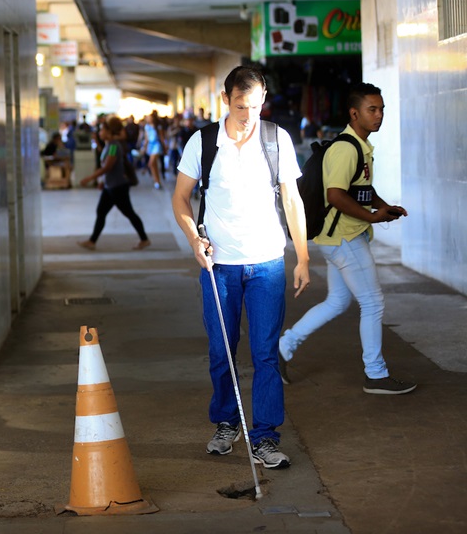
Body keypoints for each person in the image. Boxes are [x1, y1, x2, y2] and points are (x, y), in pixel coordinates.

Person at [172, 65, 310, 469]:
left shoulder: (276, 139)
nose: (248, 114)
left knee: (265, 353)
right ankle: (226, 422)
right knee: (222, 352)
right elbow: (181, 198)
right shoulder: (203, 142)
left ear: (264, 98)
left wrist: (302, 257)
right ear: (225, 99)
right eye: (240, 105)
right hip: (221, 267)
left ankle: (265, 436)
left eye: (255, 104)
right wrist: (193, 239)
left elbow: (292, 201)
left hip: (267, 263)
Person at [278, 83, 416, 395]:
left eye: (381, 109)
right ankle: (376, 375)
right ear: (355, 113)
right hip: (344, 238)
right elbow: (335, 195)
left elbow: (358, 188)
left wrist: (383, 206)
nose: (379, 115)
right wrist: (371, 217)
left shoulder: (360, 147)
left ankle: (284, 347)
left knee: (338, 301)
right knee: (373, 302)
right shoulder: (345, 148)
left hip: (341, 237)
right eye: (372, 109)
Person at [78, 115, 150, 251]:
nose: (100, 133)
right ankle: (92, 241)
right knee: (101, 212)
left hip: (117, 187)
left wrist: (90, 178)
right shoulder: (109, 145)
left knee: (128, 212)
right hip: (110, 186)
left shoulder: (113, 146)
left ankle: (144, 239)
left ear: (109, 132)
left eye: (102, 130)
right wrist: (102, 181)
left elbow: (107, 167)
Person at [140, 111, 165, 189]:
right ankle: (157, 181)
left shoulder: (158, 126)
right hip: (150, 145)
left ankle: (156, 180)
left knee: (151, 163)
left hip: (157, 145)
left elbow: (161, 137)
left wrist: (165, 146)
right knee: (154, 165)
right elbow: (146, 138)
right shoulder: (147, 127)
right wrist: (144, 147)